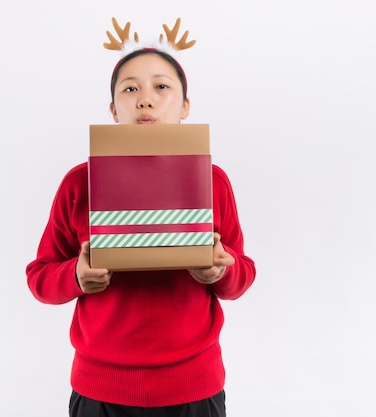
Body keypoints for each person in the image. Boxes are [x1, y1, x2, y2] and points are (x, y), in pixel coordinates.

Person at [26, 17, 256, 417]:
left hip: (193, 387)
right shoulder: (80, 184)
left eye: (161, 87)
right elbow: (39, 276)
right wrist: (76, 276)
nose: (145, 99)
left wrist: (221, 270)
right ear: (114, 109)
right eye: (130, 88)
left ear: (185, 106)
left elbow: (242, 276)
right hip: (101, 389)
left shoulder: (213, 182)